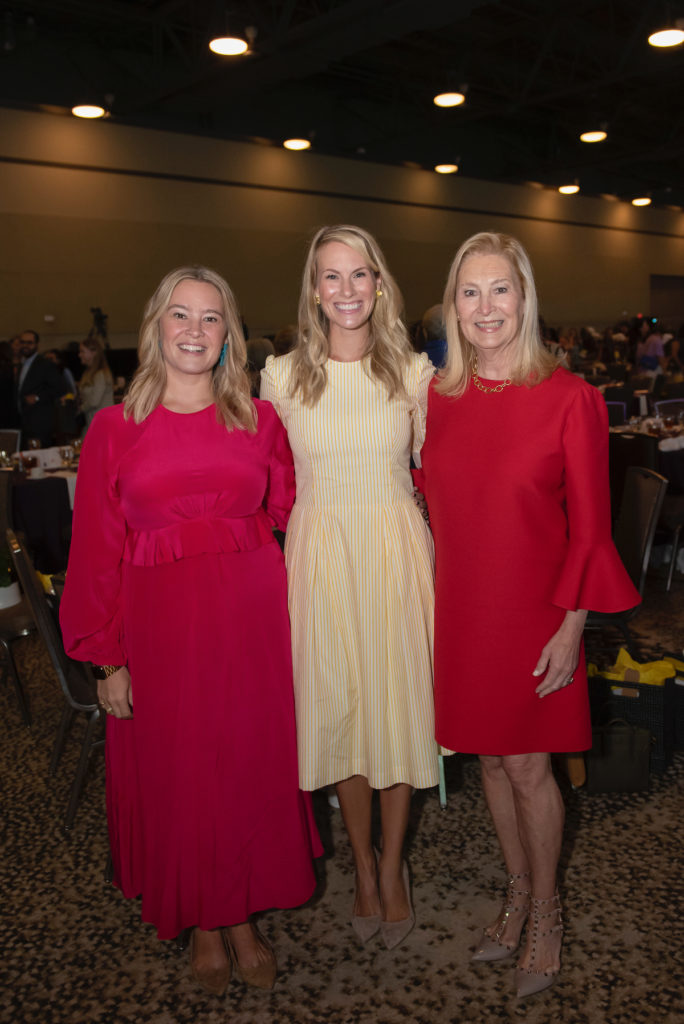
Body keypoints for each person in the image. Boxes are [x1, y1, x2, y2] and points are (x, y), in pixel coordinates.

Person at [60, 266, 321, 996]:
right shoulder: (114, 429)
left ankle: (240, 915)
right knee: (181, 771)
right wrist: (106, 658)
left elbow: (288, 512)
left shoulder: (259, 420)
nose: (196, 330)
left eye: (212, 319)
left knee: (244, 764)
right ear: (155, 330)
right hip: (160, 628)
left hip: (250, 622)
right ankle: (205, 922)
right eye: (182, 315)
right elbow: (94, 553)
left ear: (229, 335)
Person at [418, 232, 640, 997]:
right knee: (486, 756)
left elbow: (591, 532)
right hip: (461, 610)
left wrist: (573, 624)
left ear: (525, 297)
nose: (486, 308)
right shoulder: (434, 399)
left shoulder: (571, 399)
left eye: (500, 289)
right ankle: (516, 890)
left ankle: (546, 908)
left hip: (536, 612)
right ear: (453, 304)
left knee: (528, 765)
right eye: (470, 292)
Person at [261, 224, 440, 950]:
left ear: (380, 284)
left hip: (395, 549)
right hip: (320, 555)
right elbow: (261, 480)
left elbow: (443, 472)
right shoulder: (280, 376)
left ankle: (394, 866)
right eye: (330, 277)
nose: (346, 290)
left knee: (396, 709)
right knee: (339, 711)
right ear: (313, 288)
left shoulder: (416, 374)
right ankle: (361, 864)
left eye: (359, 275)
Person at [15, 329, 66, 447]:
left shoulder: (45, 364)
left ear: (36, 345)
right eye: (23, 342)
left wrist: (38, 397)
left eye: (29, 343)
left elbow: (61, 388)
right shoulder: (20, 364)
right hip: (23, 421)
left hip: (40, 422)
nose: (25, 346)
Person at [77, 336, 115, 432]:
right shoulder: (88, 373)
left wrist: (80, 409)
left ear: (93, 353)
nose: (79, 355)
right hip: (91, 421)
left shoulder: (101, 374)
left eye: (82, 351)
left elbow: (94, 401)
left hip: (102, 424)